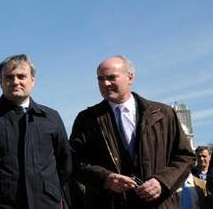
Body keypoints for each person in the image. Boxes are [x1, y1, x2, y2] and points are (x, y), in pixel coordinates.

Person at [69, 55, 194, 209]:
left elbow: (185, 157)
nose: (105, 83)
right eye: (100, 79)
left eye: (111, 77)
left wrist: (162, 181)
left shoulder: (163, 115)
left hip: (158, 204)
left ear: (130, 77)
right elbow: (74, 161)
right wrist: (106, 178)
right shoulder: (87, 119)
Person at [0, 54, 71, 209]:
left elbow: (65, 163)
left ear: (32, 80)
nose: (15, 82)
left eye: (21, 76)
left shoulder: (51, 117)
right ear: (0, 82)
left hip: (46, 203)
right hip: (0, 203)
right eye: (9, 77)